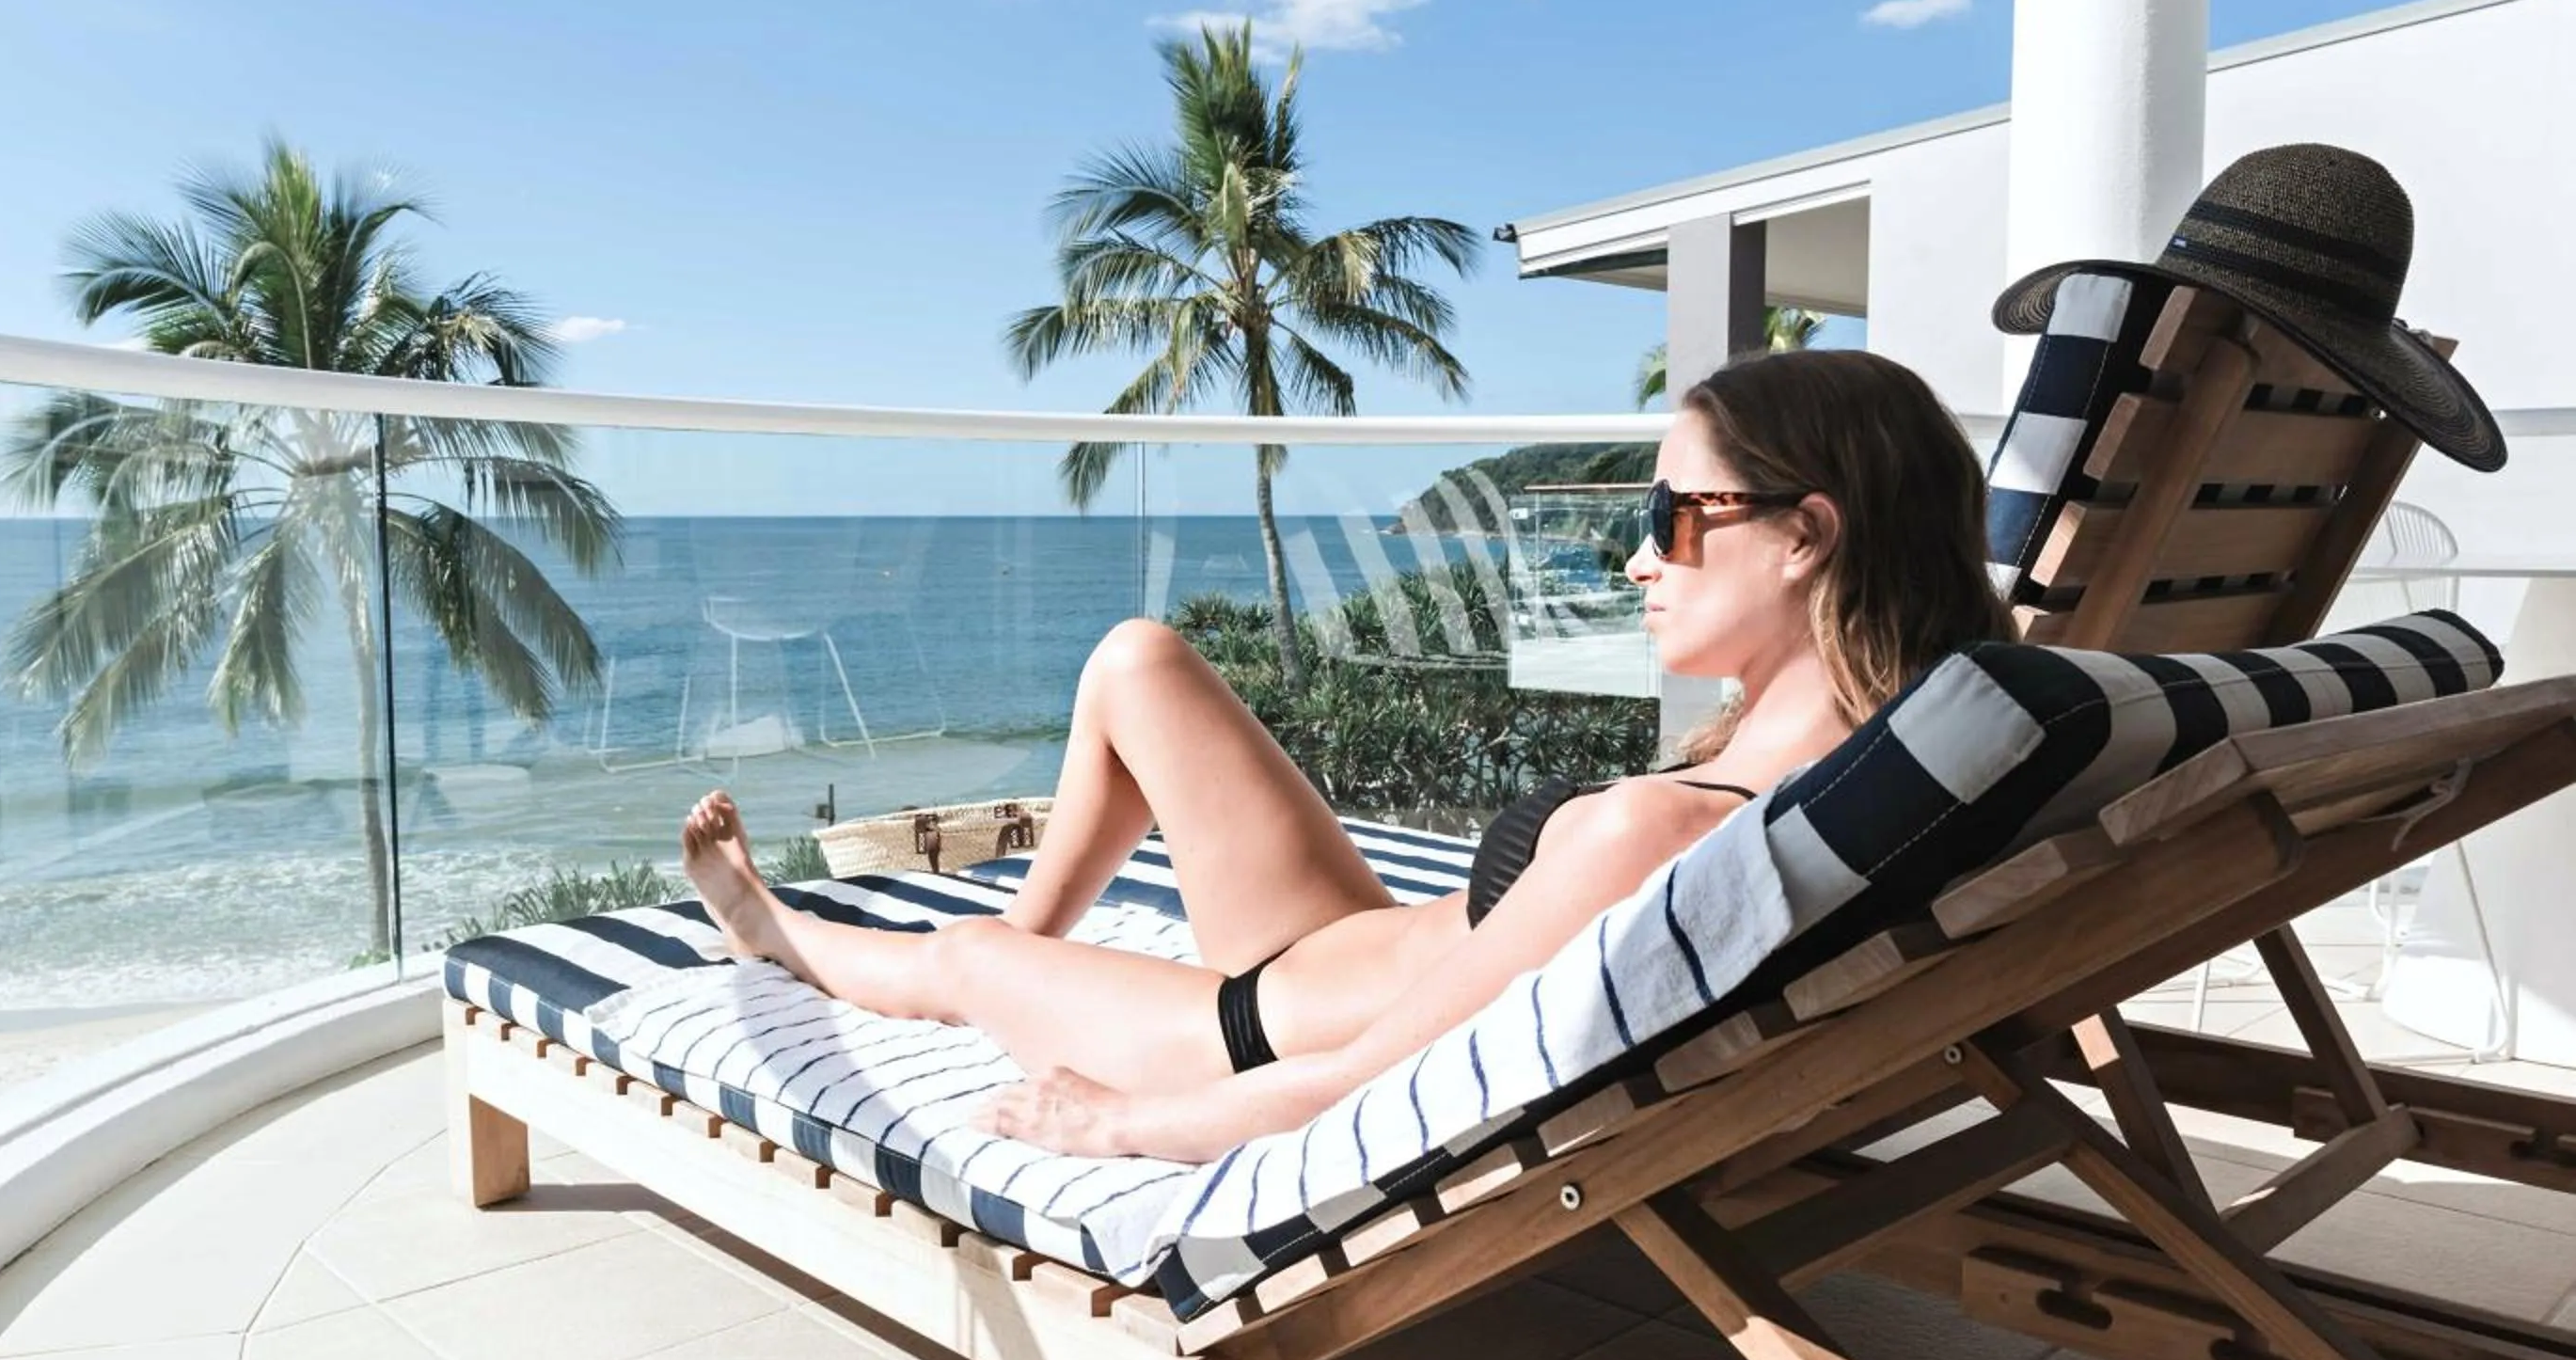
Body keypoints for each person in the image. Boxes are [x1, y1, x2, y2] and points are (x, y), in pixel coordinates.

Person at [678, 349, 2003, 1163]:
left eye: (1672, 512)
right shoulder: (1899, 764)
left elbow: (1381, 1081)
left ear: (1805, 534)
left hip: (1251, 1034)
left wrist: (1120, 1124)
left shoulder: (1656, 832)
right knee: (1139, 657)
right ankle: (1035, 962)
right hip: (1345, 942)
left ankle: (784, 934)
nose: (1638, 552)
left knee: (966, 957)